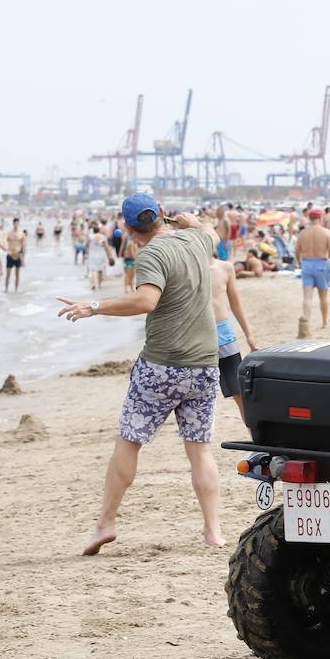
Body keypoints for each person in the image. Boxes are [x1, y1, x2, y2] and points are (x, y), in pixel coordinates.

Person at [56, 194, 225, 556]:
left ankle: (106, 522)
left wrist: (93, 306)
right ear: (163, 214)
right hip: (204, 364)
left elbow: (146, 300)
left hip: (162, 365)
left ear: (129, 229)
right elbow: (213, 234)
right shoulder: (196, 240)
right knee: (199, 449)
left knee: (129, 441)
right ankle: (213, 531)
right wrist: (191, 220)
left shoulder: (151, 254)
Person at [211, 254, 259, 420]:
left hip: (224, 334)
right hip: (196, 336)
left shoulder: (225, 268)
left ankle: (255, 440)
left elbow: (235, 303)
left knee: (239, 392)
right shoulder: (188, 267)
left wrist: (249, 334)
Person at [294, 208, 330, 331]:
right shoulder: (326, 233)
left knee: (307, 297)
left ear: (310, 219)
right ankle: (325, 322)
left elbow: (297, 250)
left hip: (307, 263)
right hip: (321, 264)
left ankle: (306, 322)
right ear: (320, 218)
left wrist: (299, 262)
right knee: (323, 296)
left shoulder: (303, 233)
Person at [87, 223, 114, 291]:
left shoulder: (90, 237)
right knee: (100, 270)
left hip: (93, 255)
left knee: (94, 271)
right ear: (99, 230)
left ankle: (96, 286)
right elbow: (107, 247)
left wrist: (87, 254)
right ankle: (99, 285)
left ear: (93, 231)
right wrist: (109, 256)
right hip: (101, 255)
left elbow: (87, 245)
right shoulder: (103, 237)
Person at [5, 217, 27, 294]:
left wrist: (23, 258)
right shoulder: (9, 233)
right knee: (8, 274)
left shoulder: (22, 234)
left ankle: (16, 290)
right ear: (13, 223)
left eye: (17, 223)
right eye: (15, 223)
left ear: (19, 223)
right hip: (10, 255)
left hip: (18, 255)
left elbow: (24, 246)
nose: (16, 224)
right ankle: (6, 289)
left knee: (17, 274)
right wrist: (7, 250)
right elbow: (4, 242)